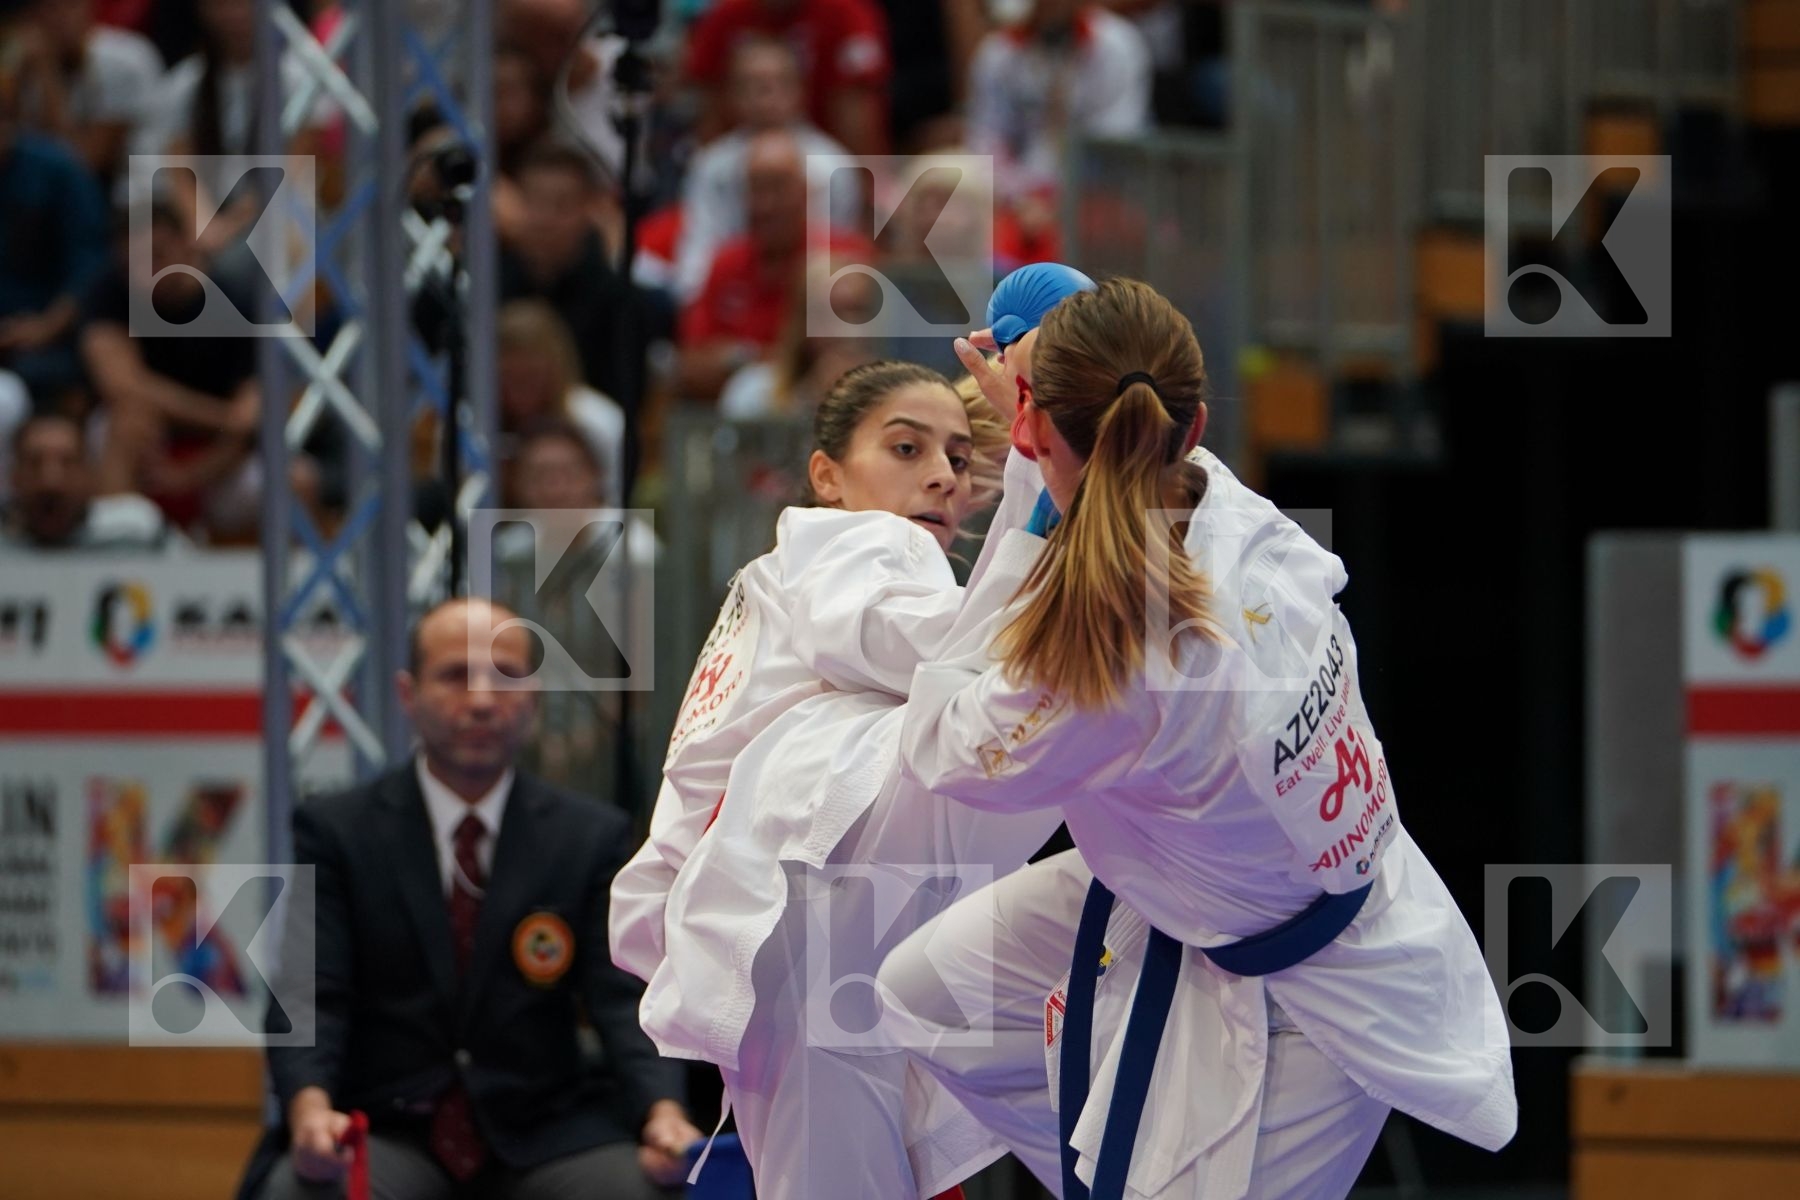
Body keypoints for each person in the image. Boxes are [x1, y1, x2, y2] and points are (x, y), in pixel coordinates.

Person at [877, 278, 1517, 1198]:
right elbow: (1118, 411)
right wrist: (1042, 425)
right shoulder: (1224, 501)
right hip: (1218, 887)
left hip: (1308, 999)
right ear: (1197, 423)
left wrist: (1028, 497)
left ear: (1028, 431)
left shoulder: (1112, 659)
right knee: (932, 994)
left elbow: (940, 743)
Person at [610, 360, 1060, 1198]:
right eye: (905, 447)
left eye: (960, 460)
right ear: (828, 476)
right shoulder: (857, 540)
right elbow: (930, 649)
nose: (940, 475)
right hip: (811, 887)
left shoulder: (788, 570)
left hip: (782, 904)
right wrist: (1042, 496)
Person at [239, 597, 703, 1200]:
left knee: (650, 1190)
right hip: (391, 1128)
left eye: (506, 677)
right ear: (408, 695)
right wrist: (310, 1111)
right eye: (456, 675)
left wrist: (662, 1112)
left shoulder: (589, 837)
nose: (482, 700)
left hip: (546, 1131)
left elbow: (627, 1000)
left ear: (532, 701)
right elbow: (307, 995)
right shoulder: (338, 832)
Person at [673, 35, 859, 304]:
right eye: (750, 85)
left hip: (814, 296)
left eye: (776, 84)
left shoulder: (833, 164)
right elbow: (698, 252)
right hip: (733, 292)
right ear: (731, 95)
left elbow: (839, 249)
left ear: (800, 90)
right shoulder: (710, 165)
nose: (764, 97)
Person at [0, 34, 108, 407]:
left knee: (50, 373)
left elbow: (90, 266)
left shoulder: (58, 170)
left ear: (10, 118)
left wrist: (47, 327)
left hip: (51, 331)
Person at [966, 0, 1151, 204]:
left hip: (1101, 196)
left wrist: (1058, 200)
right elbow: (986, 142)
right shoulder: (998, 53)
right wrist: (1020, 197)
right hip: (1021, 198)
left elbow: (1117, 142)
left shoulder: (1116, 45)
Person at [684, 0, 892, 156]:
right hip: (739, 158)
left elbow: (858, 117)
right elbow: (709, 113)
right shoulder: (724, 17)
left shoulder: (846, 14)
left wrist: (865, 189)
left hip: (821, 152)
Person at [0, 410, 173, 551]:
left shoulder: (138, 530)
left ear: (90, 474)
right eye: (34, 463)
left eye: (67, 462)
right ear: (13, 476)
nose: (51, 481)